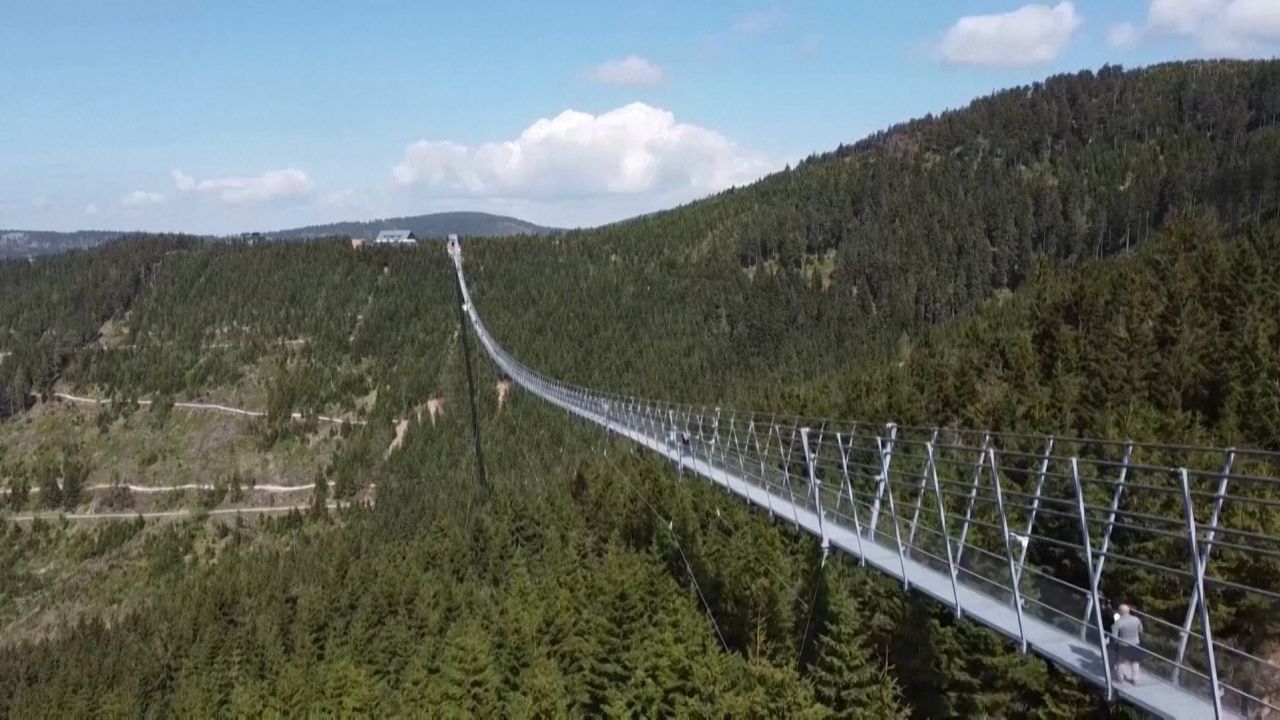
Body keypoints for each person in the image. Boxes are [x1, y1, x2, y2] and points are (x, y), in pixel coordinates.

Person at [1112, 603, 1144, 684]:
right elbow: (1141, 630)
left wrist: (1117, 642)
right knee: (1135, 662)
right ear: (1129, 610)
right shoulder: (1136, 619)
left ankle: (1120, 678)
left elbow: (1114, 636)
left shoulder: (1118, 622)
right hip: (1135, 643)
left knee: (1121, 662)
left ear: (1119, 612)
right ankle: (1135, 679)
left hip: (1123, 644)